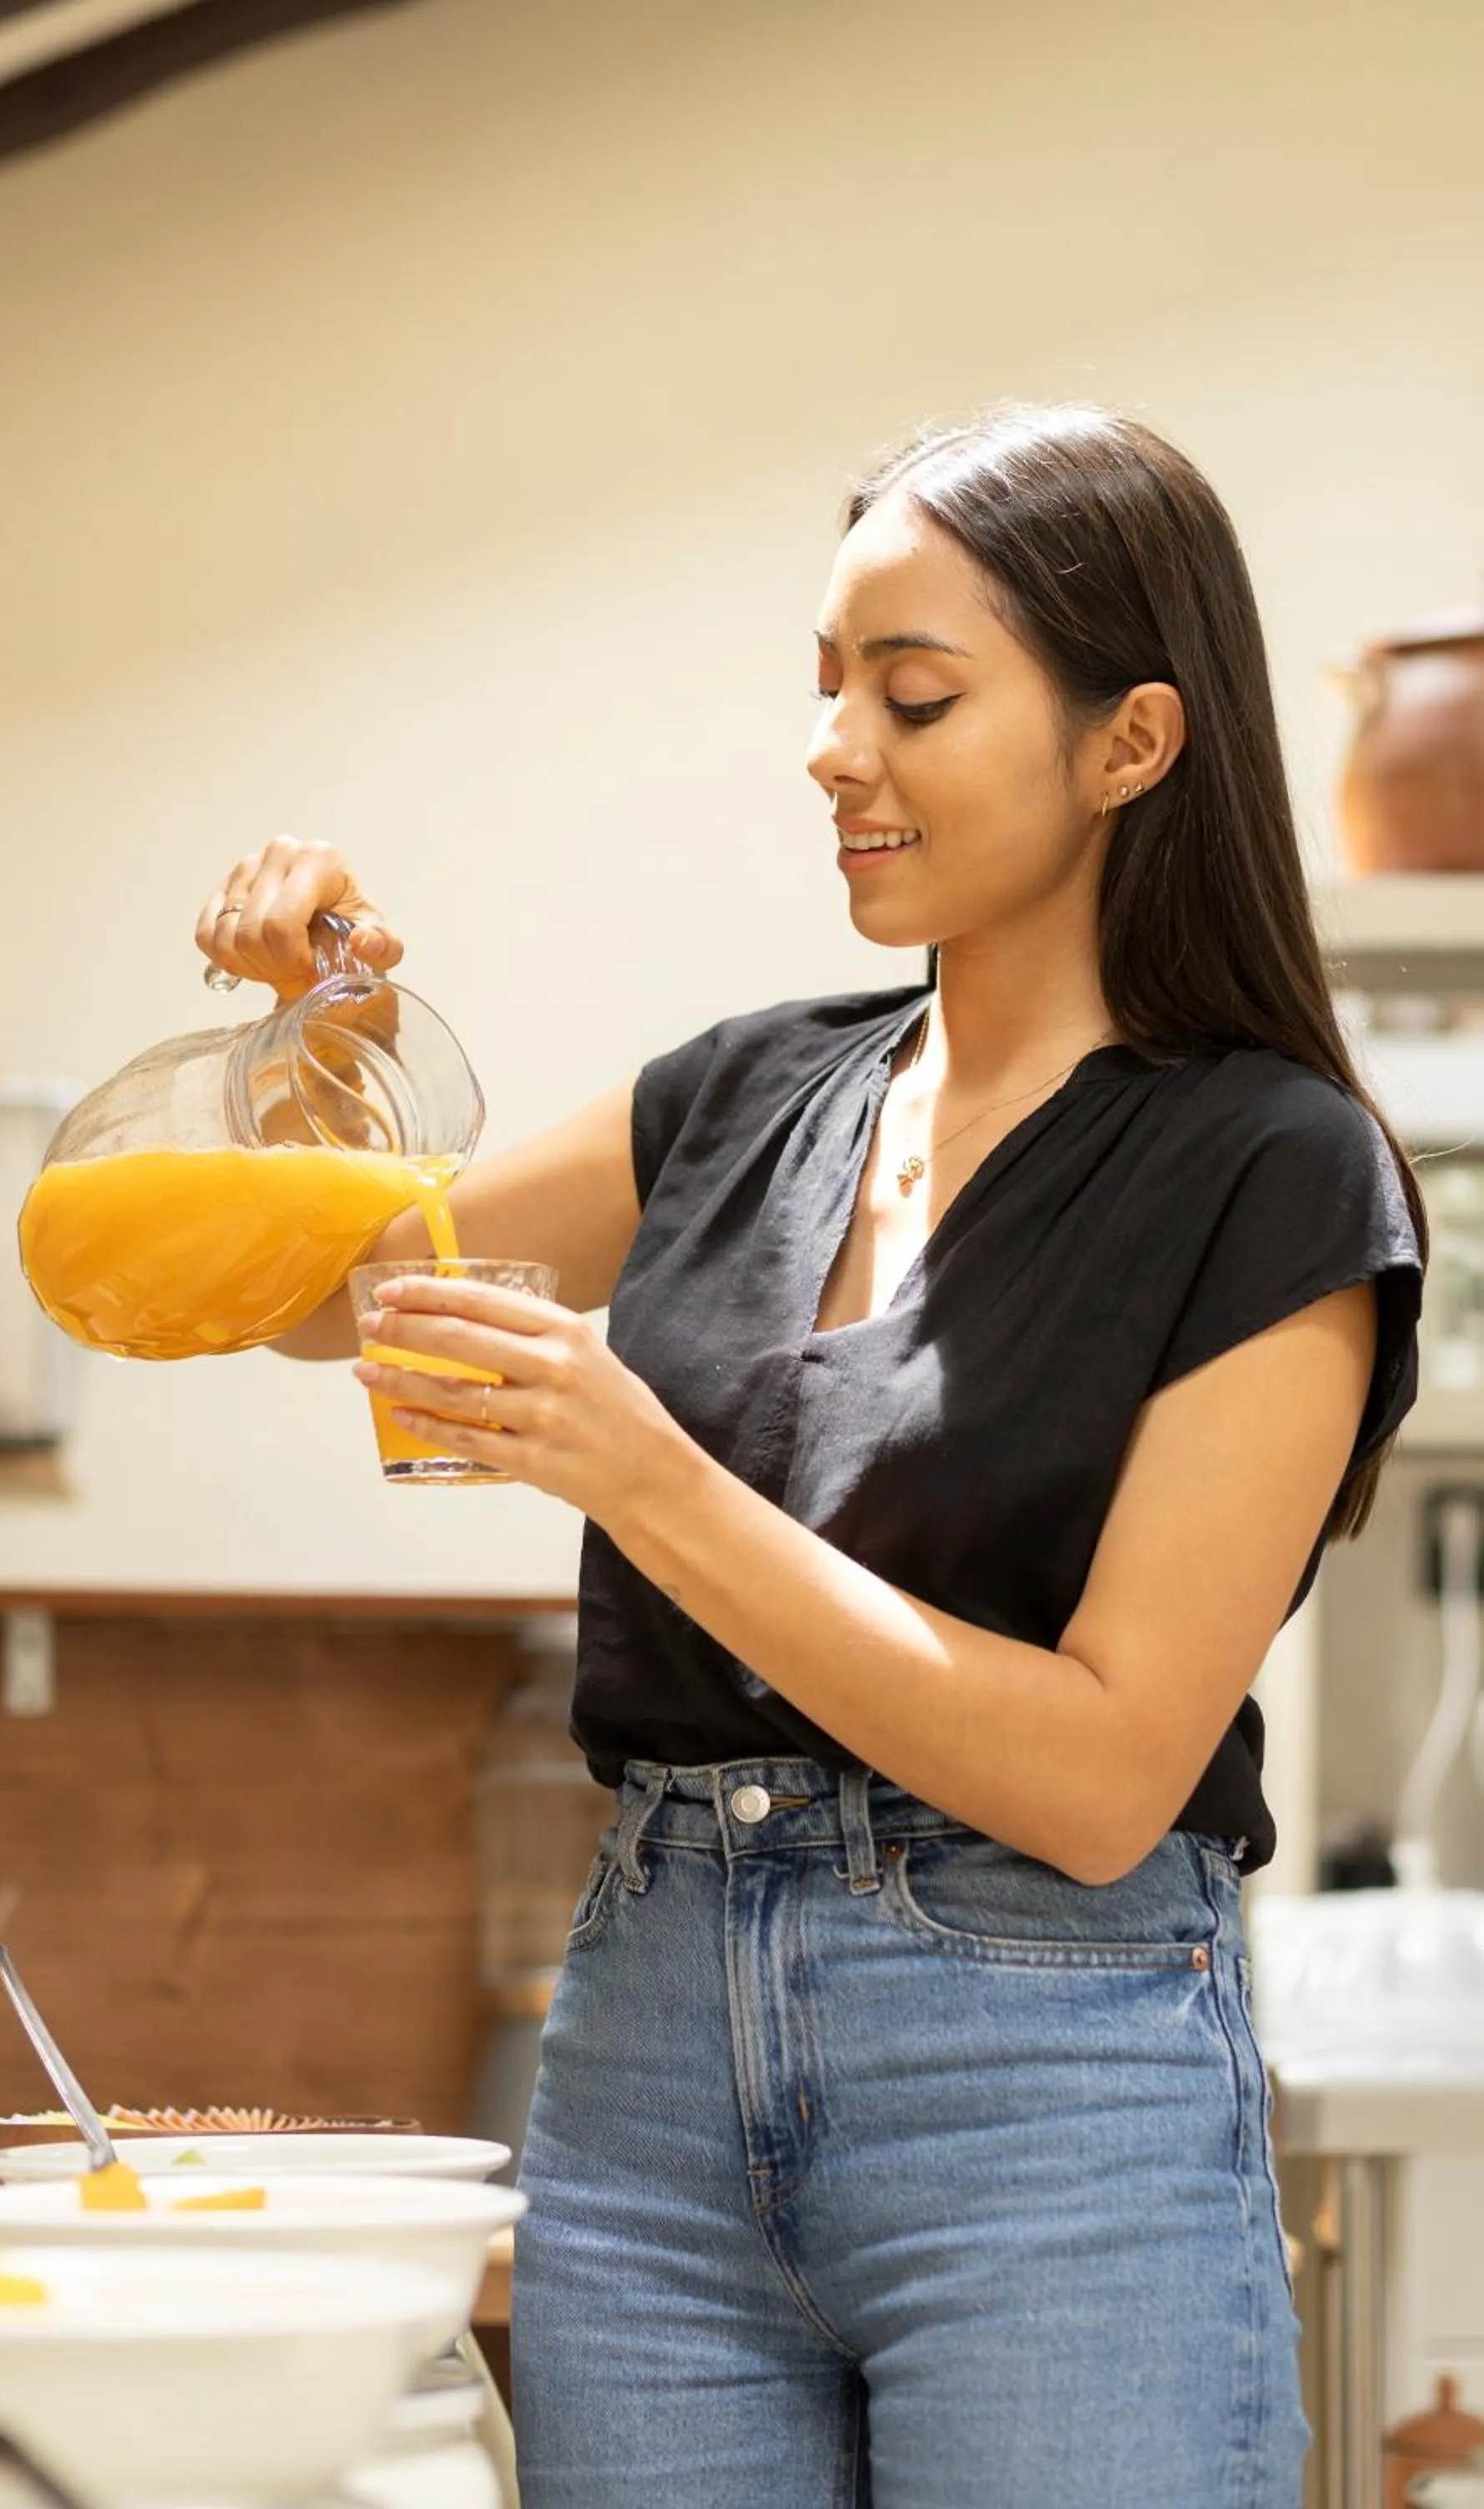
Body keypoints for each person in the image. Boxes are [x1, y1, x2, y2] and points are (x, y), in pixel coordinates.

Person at [198, 404, 1425, 2509]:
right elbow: (328, 1293)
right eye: (827, 686)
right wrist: (319, 1041)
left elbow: (1099, 1774)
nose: (831, 749)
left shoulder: (1272, 1170)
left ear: (1131, 742)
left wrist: (648, 1477)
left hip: (1048, 2094)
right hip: (651, 2058)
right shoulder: (741, 1097)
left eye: (913, 696)